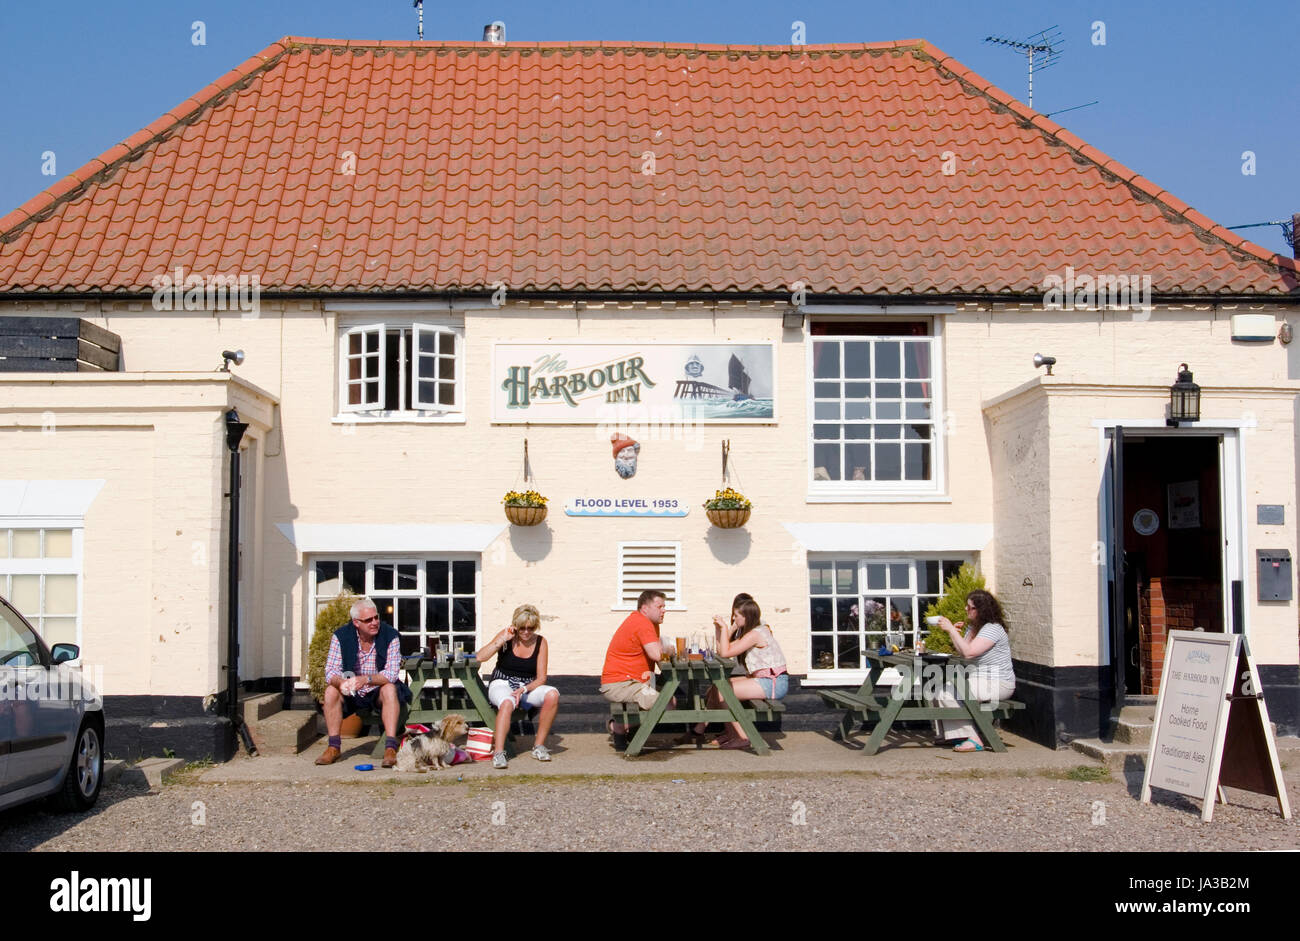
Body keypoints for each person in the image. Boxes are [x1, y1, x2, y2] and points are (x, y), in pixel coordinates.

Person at [316, 597, 413, 768]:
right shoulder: (341, 636)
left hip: (378, 689)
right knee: (330, 691)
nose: (374, 622)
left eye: (376, 617)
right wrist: (341, 682)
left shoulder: (391, 635)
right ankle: (333, 747)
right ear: (356, 623)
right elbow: (330, 671)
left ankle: (390, 747)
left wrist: (366, 680)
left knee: (390, 688)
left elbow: (391, 673)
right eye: (368, 620)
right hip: (352, 690)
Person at [688, 593, 787, 750]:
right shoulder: (750, 632)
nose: (734, 619)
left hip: (772, 683)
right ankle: (731, 732)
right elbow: (723, 650)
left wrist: (725, 627)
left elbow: (726, 653)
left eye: (736, 616)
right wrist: (719, 629)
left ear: (746, 616)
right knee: (716, 688)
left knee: (722, 691)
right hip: (762, 679)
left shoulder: (756, 634)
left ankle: (742, 737)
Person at [474, 603, 560, 769]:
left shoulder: (541, 642)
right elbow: (480, 657)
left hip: (526, 685)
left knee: (552, 694)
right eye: (522, 628)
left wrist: (524, 689)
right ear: (515, 625)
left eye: (531, 628)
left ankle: (539, 746)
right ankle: (499, 752)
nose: (526, 632)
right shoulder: (507, 636)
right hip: (502, 682)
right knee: (506, 702)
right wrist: (500, 641)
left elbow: (541, 678)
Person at [932, 589, 1016, 752]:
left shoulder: (993, 629)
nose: (965, 609)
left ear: (980, 610)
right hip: (980, 680)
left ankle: (973, 738)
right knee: (938, 691)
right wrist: (955, 634)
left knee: (947, 694)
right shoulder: (974, 627)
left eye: (969, 607)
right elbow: (964, 653)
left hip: (999, 683)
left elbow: (969, 652)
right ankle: (950, 735)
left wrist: (950, 630)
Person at [600, 589, 672, 741]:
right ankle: (617, 727)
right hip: (621, 684)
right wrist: (670, 650)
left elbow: (658, 655)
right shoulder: (642, 623)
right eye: (660, 607)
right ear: (645, 608)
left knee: (669, 697)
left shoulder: (648, 623)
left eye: (664, 606)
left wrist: (665, 651)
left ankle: (621, 728)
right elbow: (657, 655)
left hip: (632, 682)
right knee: (667, 703)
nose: (664, 610)